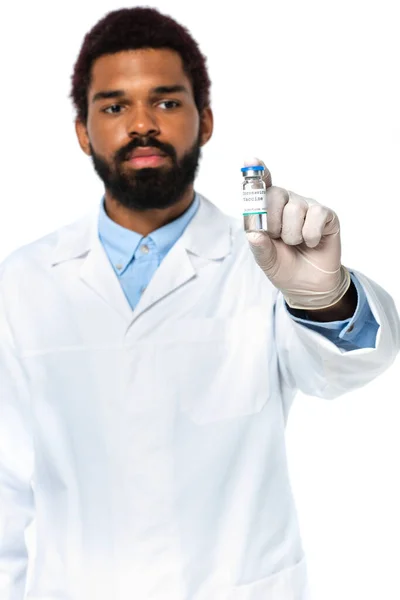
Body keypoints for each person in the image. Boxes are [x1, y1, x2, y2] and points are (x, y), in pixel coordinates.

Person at [0, 6, 398, 600]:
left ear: (205, 120)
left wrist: (325, 297)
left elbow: (338, 371)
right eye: (114, 106)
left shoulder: (264, 264)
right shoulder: (24, 282)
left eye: (166, 102)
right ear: (83, 131)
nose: (142, 125)